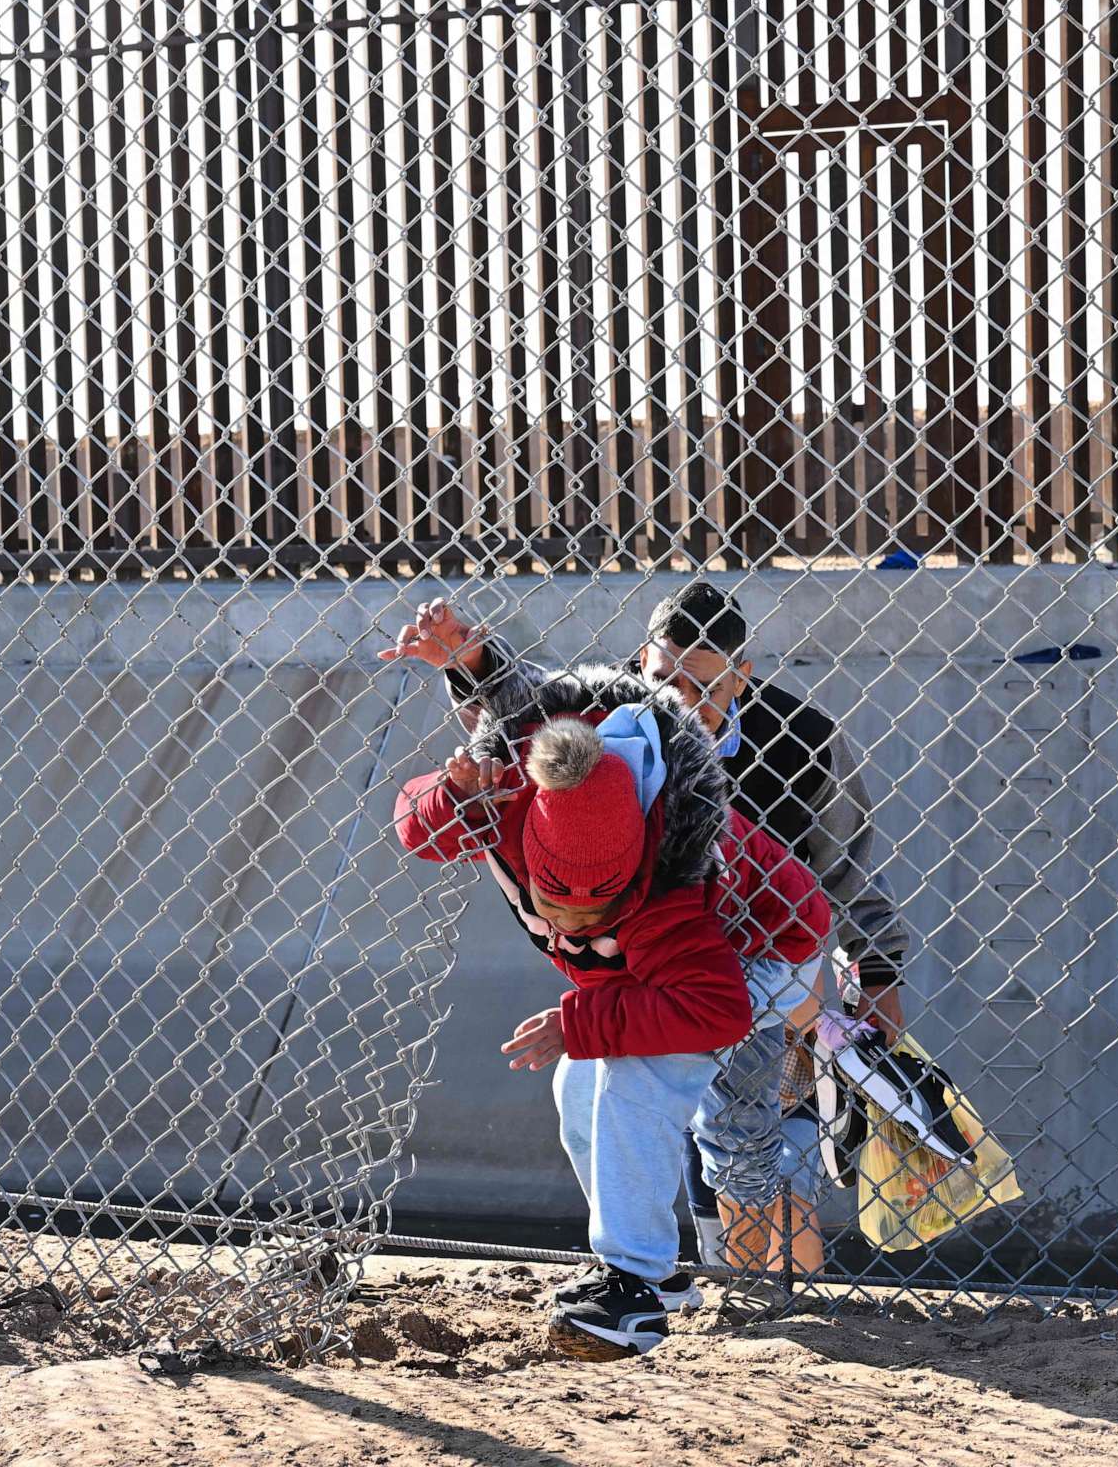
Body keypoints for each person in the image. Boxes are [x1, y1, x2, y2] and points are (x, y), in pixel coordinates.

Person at [384, 580, 910, 1273]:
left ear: (742, 675)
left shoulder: (804, 740)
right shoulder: (626, 718)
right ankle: (683, 1272)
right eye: (665, 680)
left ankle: (771, 1283)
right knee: (607, 1087)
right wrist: (470, 663)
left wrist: (877, 972)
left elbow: (848, 869)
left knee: (745, 1121)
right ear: (641, 664)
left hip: (763, 949)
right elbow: (533, 706)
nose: (683, 703)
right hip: (653, 952)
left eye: (706, 687)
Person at [394, 673, 830, 1359]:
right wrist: (450, 793)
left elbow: (713, 1009)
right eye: (559, 907)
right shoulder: (517, 810)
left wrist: (581, 1021)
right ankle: (654, 1277)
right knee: (577, 1085)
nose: (571, 926)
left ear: (632, 879)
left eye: (599, 913)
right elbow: (419, 830)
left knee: (637, 1072)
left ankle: (632, 1290)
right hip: (676, 969)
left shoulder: (671, 887)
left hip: (767, 954)